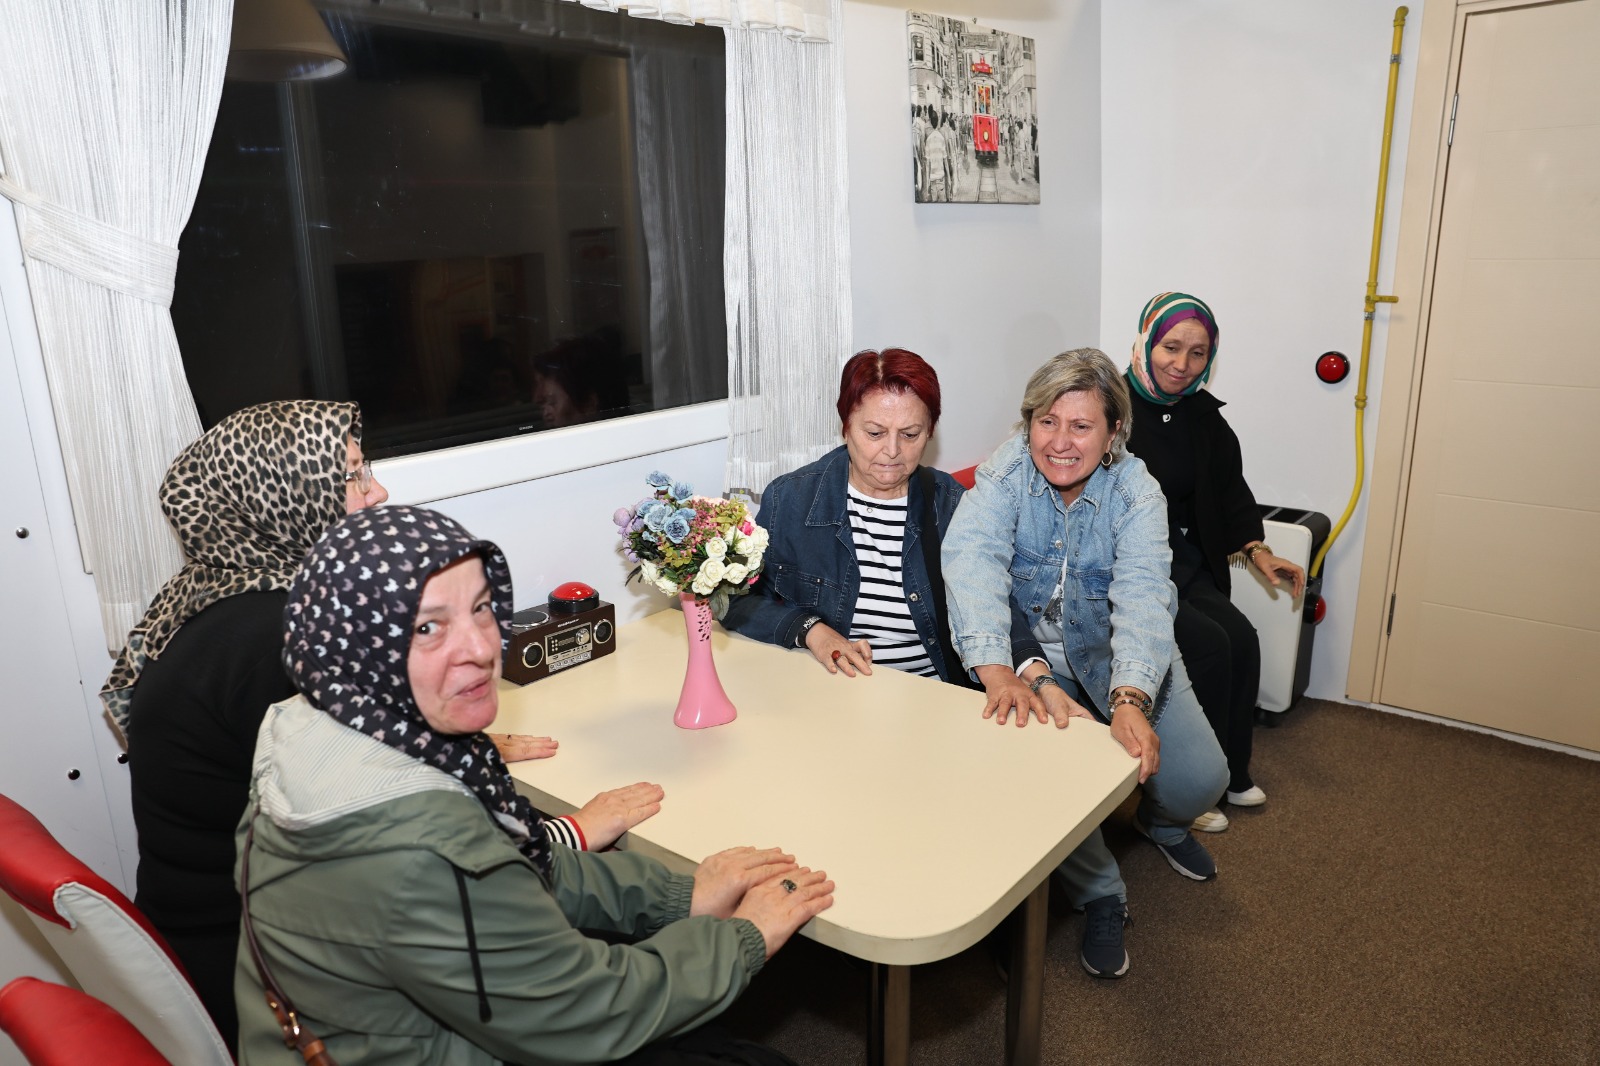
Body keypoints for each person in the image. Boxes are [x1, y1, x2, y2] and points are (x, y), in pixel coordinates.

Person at [100, 401, 653, 1051]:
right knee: (585, 958)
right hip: (260, 973)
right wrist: (572, 832)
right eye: (353, 477)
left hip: (228, 925)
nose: (378, 492)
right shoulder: (278, 638)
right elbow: (395, 850)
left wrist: (446, 740)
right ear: (284, 497)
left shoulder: (231, 593)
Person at [235, 505, 834, 1064]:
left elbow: (516, 865)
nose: (481, 646)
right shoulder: (420, 854)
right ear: (362, 643)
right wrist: (745, 938)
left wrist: (681, 897)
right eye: (428, 628)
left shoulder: (314, 728)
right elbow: (589, 1012)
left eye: (481, 608)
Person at [943, 348, 1229, 979]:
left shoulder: (1137, 492)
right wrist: (997, 668)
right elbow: (972, 558)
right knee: (1056, 780)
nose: (1060, 442)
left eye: (1081, 426)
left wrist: (1130, 699)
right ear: (1028, 422)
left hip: (1118, 652)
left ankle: (1160, 824)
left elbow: (1145, 597)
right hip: (1038, 658)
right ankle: (1102, 893)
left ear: (1113, 432)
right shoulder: (1006, 471)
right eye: (1046, 422)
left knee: (1200, 782)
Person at [720, 347, 1043, 686]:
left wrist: (1038, 678)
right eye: (874, 433)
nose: (892, 451)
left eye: (910, 434)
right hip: (829, 691)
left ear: (930, 431)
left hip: (932, 694)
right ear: (846, 426)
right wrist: (810, 630)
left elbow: (993, 601)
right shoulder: (792, 499)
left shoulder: (950, 505)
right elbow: (734, 600)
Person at [1123, 293, 1306, 832]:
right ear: (1146, 342)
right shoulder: (1111, 408)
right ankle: (1187, 787)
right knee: (1207, 646)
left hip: (1184, 560)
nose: (1182, 364)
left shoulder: (1202, 416)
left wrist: (1259, 551)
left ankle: (1228, 772)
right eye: (1170, 347)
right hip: (1128, 566)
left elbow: (1230, 492)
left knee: (1241, 639)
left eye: (1198, 352)